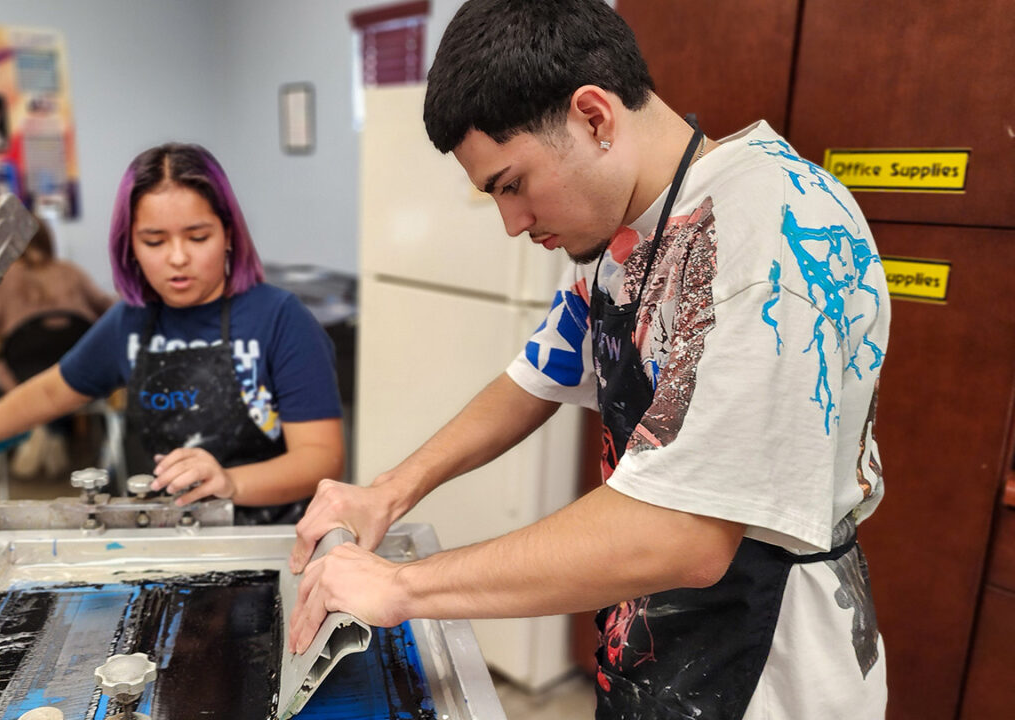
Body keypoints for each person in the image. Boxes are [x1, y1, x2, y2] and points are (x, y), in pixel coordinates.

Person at [287, 1, 889, 718]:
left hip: (769, 674)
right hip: (655, 643)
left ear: (594, 117)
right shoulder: (627, 235)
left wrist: (401, 586)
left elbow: (686, 533)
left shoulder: (769, 234)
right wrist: (386, 491)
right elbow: (536, 377)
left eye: (512, 184)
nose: (513, 223)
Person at [0, 143, 345, 524]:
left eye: (197, 237)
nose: (177, 258)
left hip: (272, 538)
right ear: (131, 247)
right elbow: (45, 395)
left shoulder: (280, 319)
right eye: (155, 241)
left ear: (228, 234)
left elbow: (321, 459)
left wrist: (231, 482)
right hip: (168, 535)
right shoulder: (131, 323)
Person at [0, 217, 117, 476]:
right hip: (78, 374)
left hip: (22, 375)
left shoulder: (4, 278)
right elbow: (107, 307)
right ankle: (54, 434)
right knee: (62, 370)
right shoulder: (70, 271)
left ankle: (31, 431)